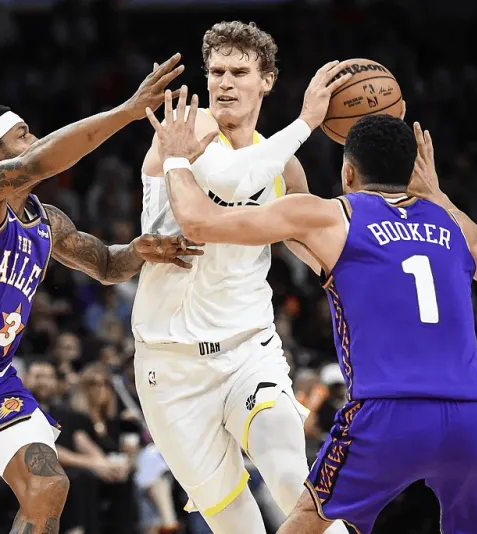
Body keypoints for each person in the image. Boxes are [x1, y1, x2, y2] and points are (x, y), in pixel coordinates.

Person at [145, 83, 477, 533]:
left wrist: (175, 157)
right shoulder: (448, 220)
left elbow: (198, 222)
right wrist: (438, 196)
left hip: (388, 409)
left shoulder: (331, 216)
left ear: (348, 172)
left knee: (309, 519)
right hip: (471, 411)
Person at [0, 54, 202, 534]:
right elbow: (36, 162)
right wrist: (128, 111)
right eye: (23, 133)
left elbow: (105, 264)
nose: (36, 138)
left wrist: (139, 250)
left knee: (48, 485)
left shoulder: (46, 221)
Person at [135, 22, 353, 534]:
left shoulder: (285, 167)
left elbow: (311, 247)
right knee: (236, 524)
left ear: (266, 81)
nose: (225, 83)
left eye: (239, 72)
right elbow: (235, 178)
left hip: (249, 348)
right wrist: (307, 121)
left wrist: (361, 276)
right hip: (169, 362)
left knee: (291, 476)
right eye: (216, 72)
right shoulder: (189, 127)